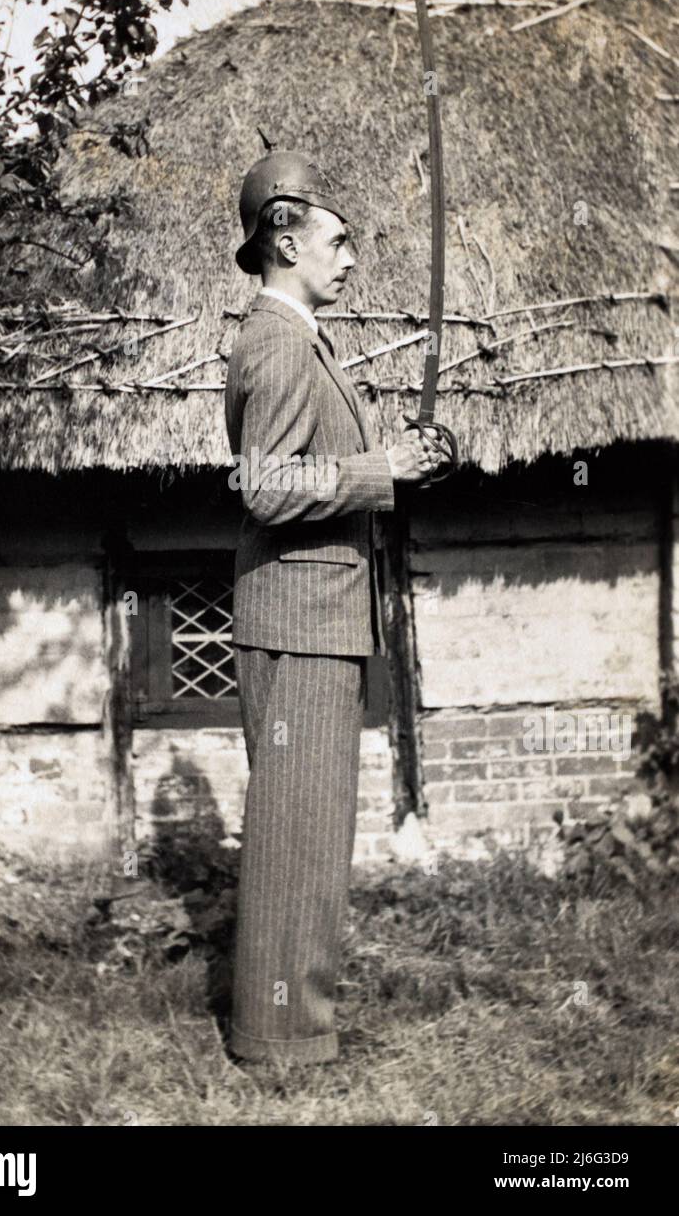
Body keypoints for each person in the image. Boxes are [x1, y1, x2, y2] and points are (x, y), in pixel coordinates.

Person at [223, 149, 444, 1063]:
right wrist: (377, 470)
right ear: (285, 239)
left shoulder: (302, 342)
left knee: (309, 840)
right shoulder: (276, 342)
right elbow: (266, 486)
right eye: (337, 241)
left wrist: (395, 462)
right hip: (298, 623)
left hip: (315, 618)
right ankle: (282, 1042)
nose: (351, 259)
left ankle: (286, 1031)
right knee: (296, 843)